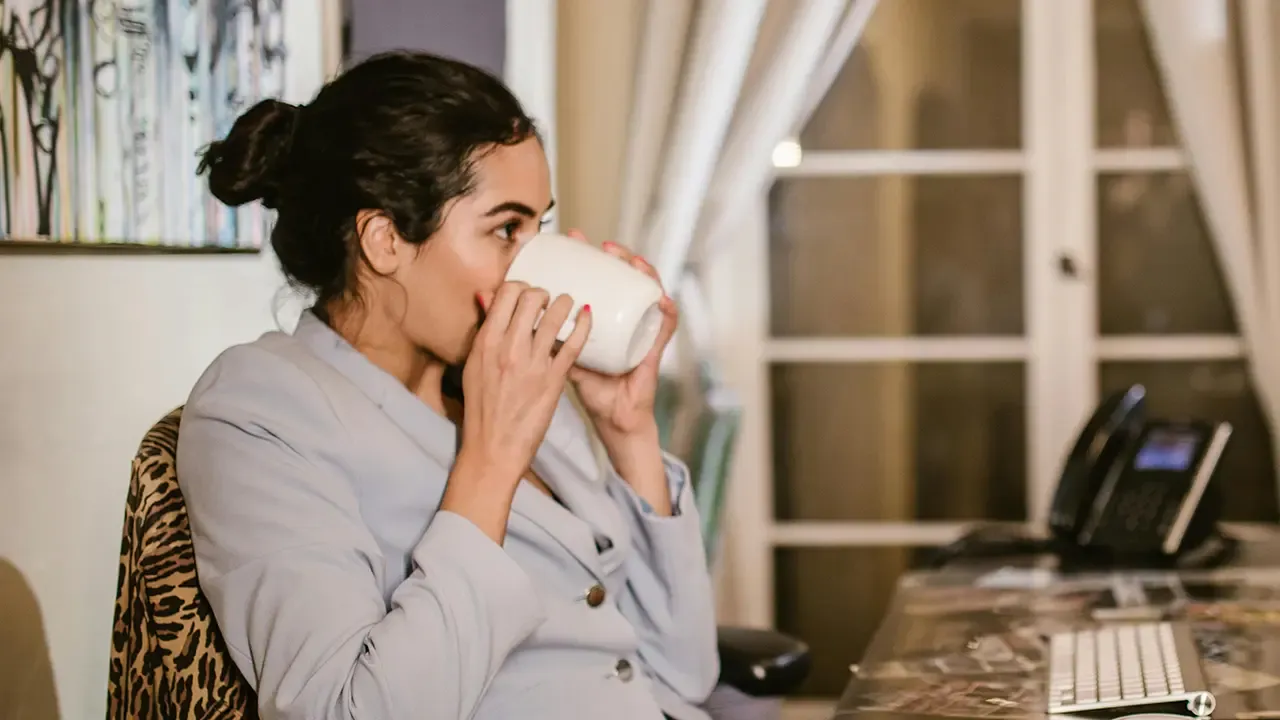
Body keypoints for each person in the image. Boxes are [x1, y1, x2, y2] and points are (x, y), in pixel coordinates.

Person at [176, 51, 718, 720]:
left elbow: (681, 673)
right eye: (506, 229)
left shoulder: (505, 381)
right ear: (384, 241)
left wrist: (627, 430)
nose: (534, 268)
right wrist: (490, 462)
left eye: (539, 229)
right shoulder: (262, 407)